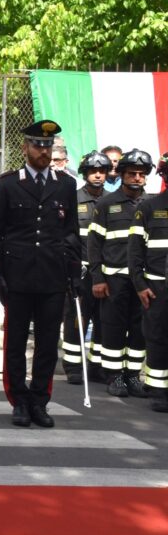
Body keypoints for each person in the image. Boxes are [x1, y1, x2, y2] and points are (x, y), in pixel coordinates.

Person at [0, 120, 79, 428]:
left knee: (47, 343)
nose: (43, 151)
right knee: (14, 343)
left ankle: (40, 400)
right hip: (18, 277)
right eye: (38, 145)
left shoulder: (65, 184)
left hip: (52, 276)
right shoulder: (8, 183)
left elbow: (70, 233)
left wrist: (74, 273)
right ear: (25, 147)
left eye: (48, 146)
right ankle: (19, 400)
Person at [89, 148, 151, 398]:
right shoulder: (106, 204)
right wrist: (98, 278)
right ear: (122, 175)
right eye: (132, 173)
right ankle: (114, 375)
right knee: (113, 328)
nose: (137, 178)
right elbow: (94, 244)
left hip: (144, 282)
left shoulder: (151, 204)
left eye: (141, 174)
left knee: (139, 330)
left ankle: (133, 375)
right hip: (114, 279)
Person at [62, 151, 111, 384]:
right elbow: (66, 236)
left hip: (105, 271)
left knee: (103, 319)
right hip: (79, 270)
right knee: (76, 318)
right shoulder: (73, 199)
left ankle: (97, 365)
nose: (98, 175)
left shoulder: (112, 201)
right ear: (85, 173)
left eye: (102, 171)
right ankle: (72, 365)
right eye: (93, 171)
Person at [127, 153, 168, 412]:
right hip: (157, 288)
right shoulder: (150, 207)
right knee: (157, 338)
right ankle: (159, 391)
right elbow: (135, 252)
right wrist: (140, 285)